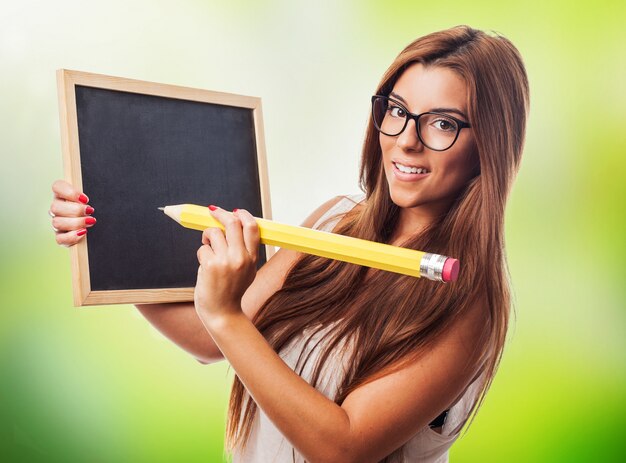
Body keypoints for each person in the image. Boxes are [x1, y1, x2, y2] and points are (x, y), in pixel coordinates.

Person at [49, 25, 529, 463]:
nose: (406, 140)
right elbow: (206, 338)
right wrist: (102, 240)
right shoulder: (337, 220)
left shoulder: (468, 296)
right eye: (398, 111)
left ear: (489, 142)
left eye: (442, 123)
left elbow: (343, 446)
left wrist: (226, 316)